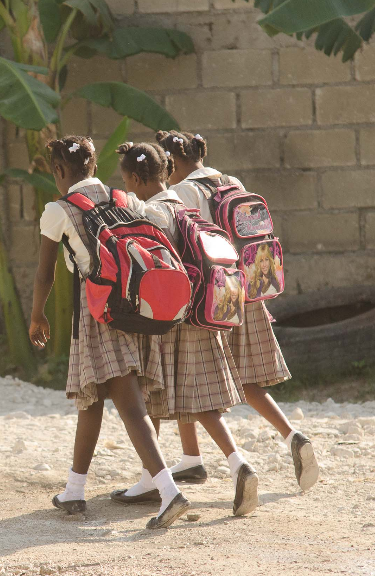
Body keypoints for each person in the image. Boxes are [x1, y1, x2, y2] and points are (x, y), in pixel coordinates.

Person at [29, 135, 191, 529]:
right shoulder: (125, 199)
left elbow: (45, 272)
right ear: (93, 167)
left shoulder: (57, 210)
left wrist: (37, 315)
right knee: (91, 398)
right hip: (135, 306)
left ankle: (170, 493)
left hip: (98, 310)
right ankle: (74, 489)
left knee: (128, 403)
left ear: (61, 171)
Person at [156, 130, 319, 492]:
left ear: (173, 162)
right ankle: (290, 437)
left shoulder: (183, 191)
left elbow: (190, 246)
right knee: (247, 381)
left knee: (192, 376)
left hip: (210, 299)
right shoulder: (229, 180)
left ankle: (211, 460)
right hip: (245, 291)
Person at [108, 141, 259, 517]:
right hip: (203, 315)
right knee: (157, 397)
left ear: (139, 179)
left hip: (174, 324)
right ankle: (150, 476)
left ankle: (239, 464)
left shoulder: (152, 213)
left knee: (193, 401)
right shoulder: (181, 204)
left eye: (128, 180)